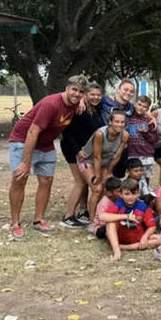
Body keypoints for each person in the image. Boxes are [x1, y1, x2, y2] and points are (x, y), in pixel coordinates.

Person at [8, 75, 87, 240]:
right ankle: (15, 222)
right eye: (74, 90)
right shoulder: (50, 104)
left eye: (81, 92)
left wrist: (81, 101)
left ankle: (38, 220)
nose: (77, 94)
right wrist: (25, 162)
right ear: (66, 88)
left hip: (46, 144)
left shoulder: (75, 102)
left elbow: (83, 98)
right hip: (24, 141)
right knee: (20, 179)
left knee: (46, 181)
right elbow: (32, 132)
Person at [61, 82, 105, 228]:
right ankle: (68, 216)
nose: (96, 97)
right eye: (92, 94)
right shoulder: (79, 110)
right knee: (80, 182)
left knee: (84, 182)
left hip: (88, 151)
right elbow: (67, 133)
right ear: (85, 95)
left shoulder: (96, 108)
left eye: (98, 95)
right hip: (74, 149)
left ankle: (82, 211)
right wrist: (77, 151)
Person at [77, 111, 130, 225]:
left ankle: (101, 216)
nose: (119, 124)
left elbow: (117, 156)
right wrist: (98, 176)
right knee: (97, 188)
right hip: (88, 160)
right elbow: (97, 156)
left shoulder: (125, 135)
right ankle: (92, 221)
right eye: (116, 121)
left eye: (122, 122)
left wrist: (109, 171)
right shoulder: (100, 134)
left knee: (107, 188)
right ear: (110, 122)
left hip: (105, 163)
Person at [100, 178, 161, 261]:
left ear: (138, 193)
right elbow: (103, 217)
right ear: (121, 194)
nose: (130, 197)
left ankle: (125, 247)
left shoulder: (143, 207)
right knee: (110, 222)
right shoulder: (118, 204)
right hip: (119, 237)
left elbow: (152, 226)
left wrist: (145, 237)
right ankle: (116, 249)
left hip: (137, 237)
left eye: (133, 193)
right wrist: (126, 216)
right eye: (127, 194)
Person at [125, 95, 158, 189]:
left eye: (145, 107)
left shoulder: (150, 121)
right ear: (134, 104)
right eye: (139, 104)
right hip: (131, 153)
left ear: (148, 108)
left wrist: (146, 133)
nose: (141, 108)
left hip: (146, 154)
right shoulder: (128, 117)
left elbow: (154, 139)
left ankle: (145, 199)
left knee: (145, 181)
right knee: (130, 180)